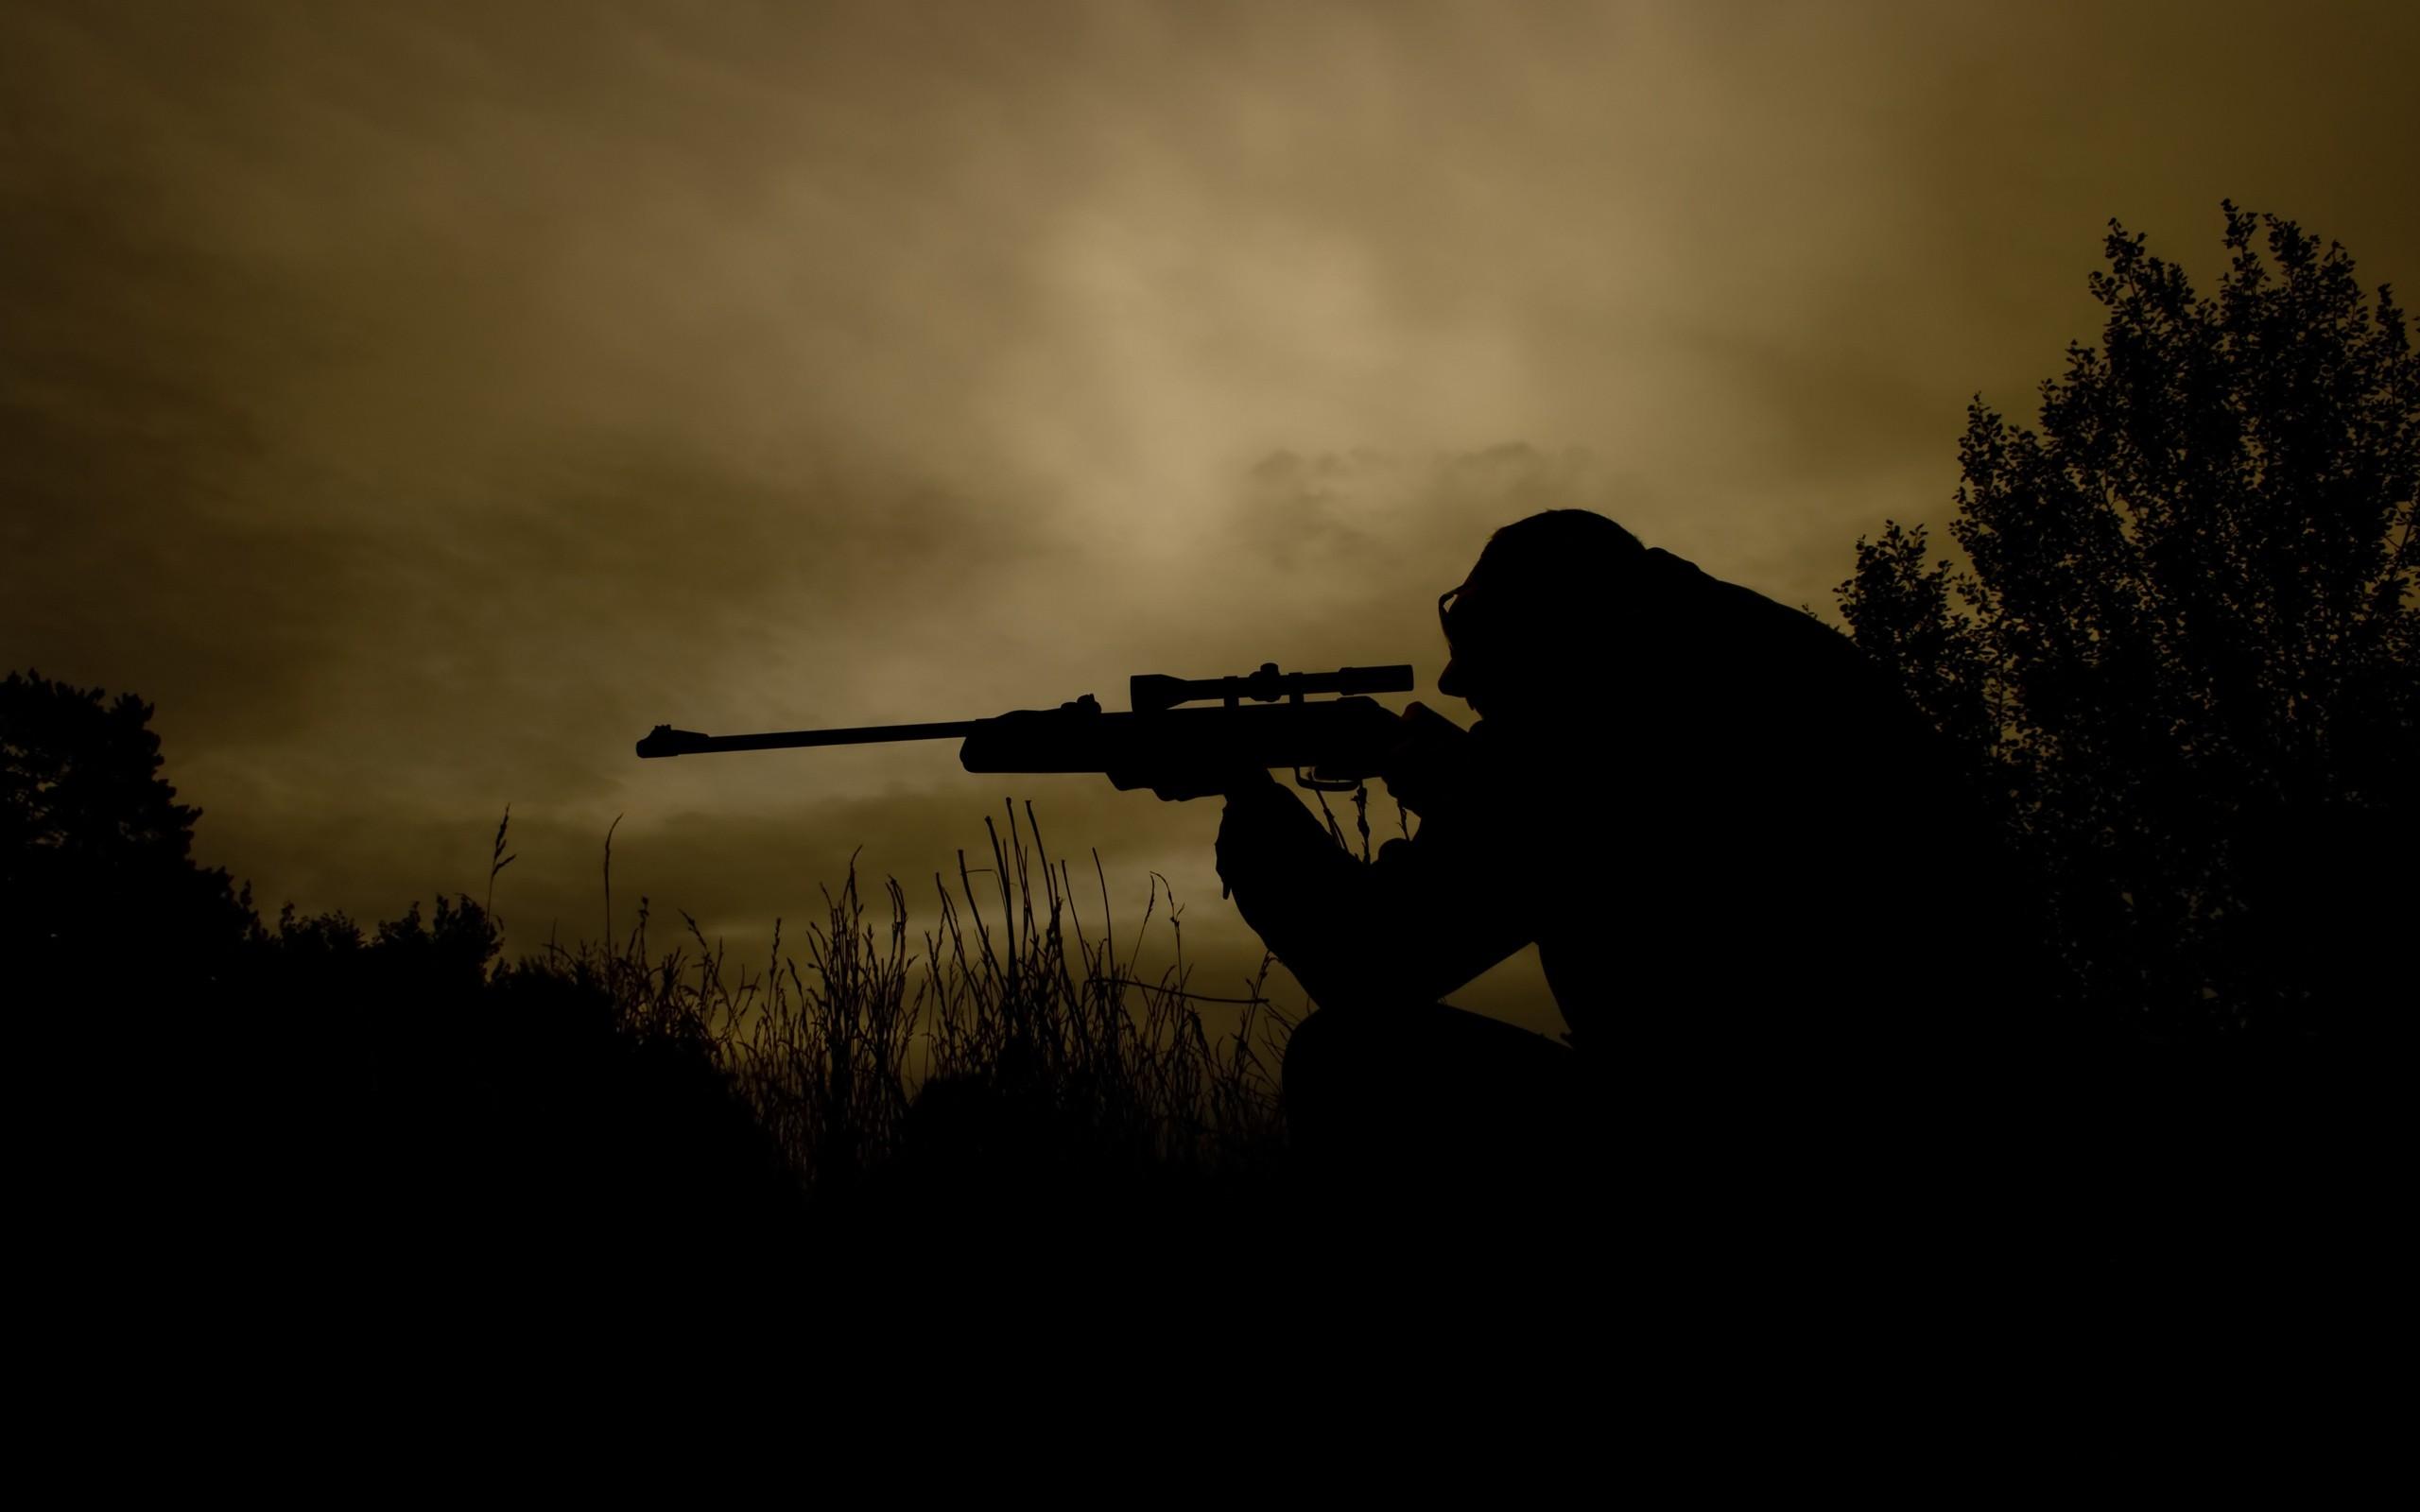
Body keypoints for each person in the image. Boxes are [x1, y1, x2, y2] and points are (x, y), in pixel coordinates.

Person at [1205, 510, 2024, 1249]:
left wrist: (1254, 804)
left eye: (1481, 642)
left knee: (1351, 1063)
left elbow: (1370, 963)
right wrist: (1474, 797)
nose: (1455, 683)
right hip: (1925, 1105)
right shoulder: (1749, 655)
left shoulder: (1601, 714)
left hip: (1762, 1137)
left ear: (1557, 626)